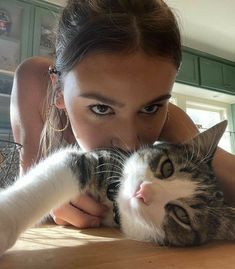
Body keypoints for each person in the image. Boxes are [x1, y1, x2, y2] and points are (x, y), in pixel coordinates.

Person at [10, 0, 235, 229]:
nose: (129, 144)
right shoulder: (34, 83)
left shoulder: (170, 118)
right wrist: (47, 199)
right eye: (101, 108)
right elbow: (24, 191)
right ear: (58, 90)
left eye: (150, 108)